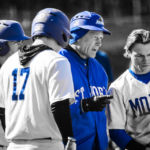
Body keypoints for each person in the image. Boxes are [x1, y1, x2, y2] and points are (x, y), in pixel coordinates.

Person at [0, 8, 76, 150]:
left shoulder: (8, 64)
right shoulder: (57, 61)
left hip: (13, 145)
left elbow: (2, 111)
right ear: (62, 33)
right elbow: (59, 106)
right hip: (46, 144)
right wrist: (69, 139)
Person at [59, 11, 112, 150]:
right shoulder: (58, 63)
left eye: (101, 38)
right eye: (95, 37)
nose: (99, 43)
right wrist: (84, 105)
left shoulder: (99, 69)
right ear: (77, 35)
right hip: (70, 145)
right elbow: (48, 109)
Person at [107, 29, 150, 150]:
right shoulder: (118, 88)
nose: (146, 60)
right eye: (139, 56)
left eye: (149, 55)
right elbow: (116, 132)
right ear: (128, 53)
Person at [0, 19, 30, 150]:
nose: (21, 47)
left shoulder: (12, 72)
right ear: (1, 47)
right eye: (16, 42)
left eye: (22, 42)